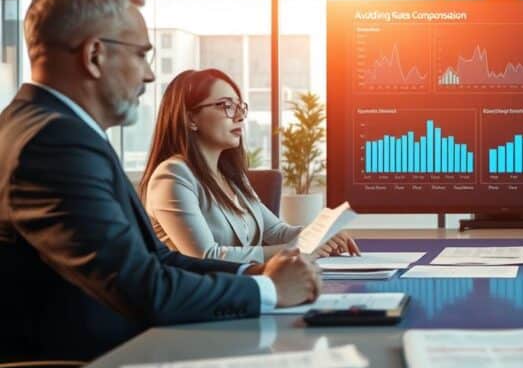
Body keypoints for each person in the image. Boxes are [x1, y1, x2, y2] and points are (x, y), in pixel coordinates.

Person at [0, 0, 321, 368]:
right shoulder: (55, 143)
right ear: (94, 55)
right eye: (140, 54)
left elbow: (153, 261)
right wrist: (268, 290)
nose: (150, 74)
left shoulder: (43, 128)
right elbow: (145, 289)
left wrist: (251, 270)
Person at [140, 68, 359, 263]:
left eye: (240, 107)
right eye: (226, 106)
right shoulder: (172, 176)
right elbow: (205, 256)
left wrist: (321, 235)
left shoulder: (231, 177)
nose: (239, 116)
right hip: (202, 301)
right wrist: (296, 250)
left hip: (242, 288)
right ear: (190, 119)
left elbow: (277, 231)